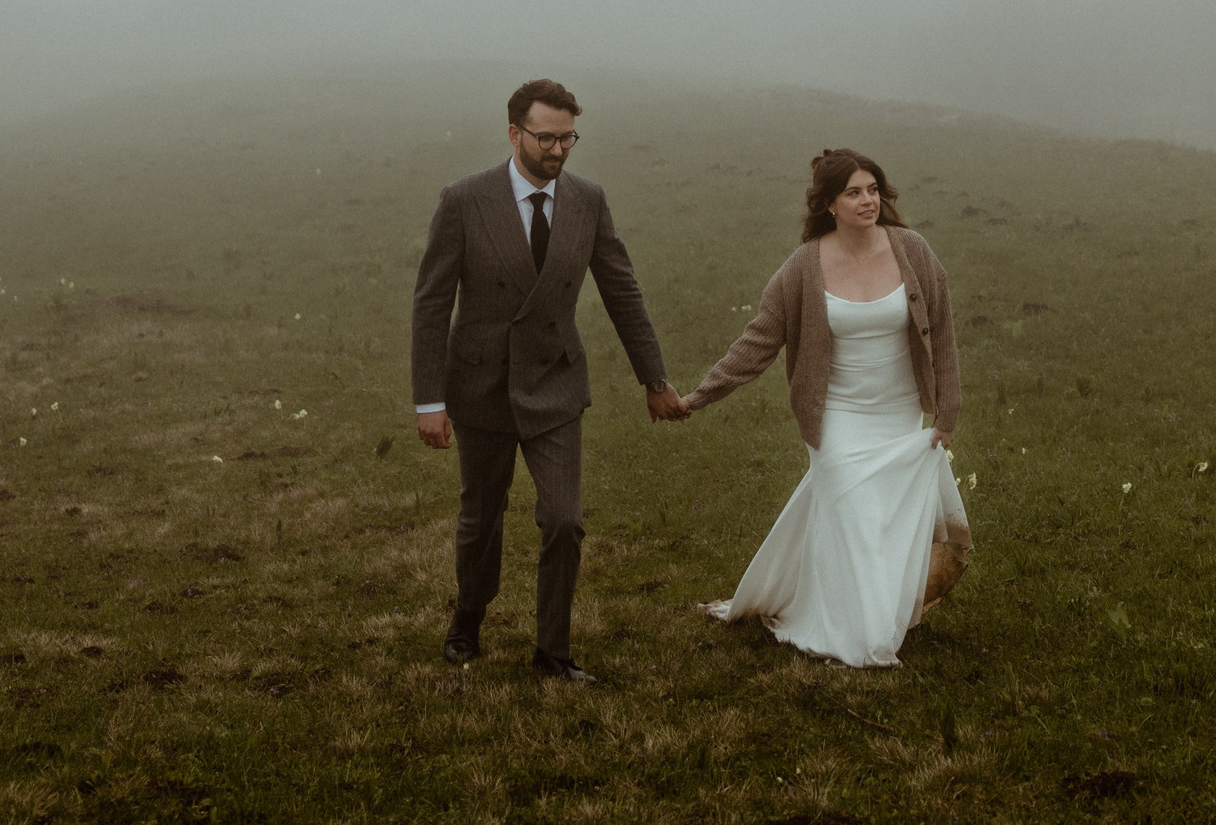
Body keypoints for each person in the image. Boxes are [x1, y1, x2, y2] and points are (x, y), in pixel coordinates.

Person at [409, 78, 691, 684]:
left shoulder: (588, 201)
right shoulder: (464, 200)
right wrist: (430, 401)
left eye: (568, 138)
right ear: (514, 133)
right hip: (481, 385)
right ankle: (467, 618)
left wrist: (654, 378)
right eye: (545, 138)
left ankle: (553, 652)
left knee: (564, 519)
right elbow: (432, 305)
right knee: (482, 516)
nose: (558, 150)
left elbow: (622, 291)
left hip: (555, 383)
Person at [682, 147, 969, 667]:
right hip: (836, 415)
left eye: (873, 190)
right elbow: (757, 342)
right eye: (854, 193)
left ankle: (872, 612)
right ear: (829, 205)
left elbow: (943, 334)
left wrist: (946, 413)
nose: (867, 201)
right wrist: (698, 397)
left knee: (885, 522)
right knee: (852, 511)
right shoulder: (802, 268)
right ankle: (864, 639)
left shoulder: (914, 251)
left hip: (900, 412)